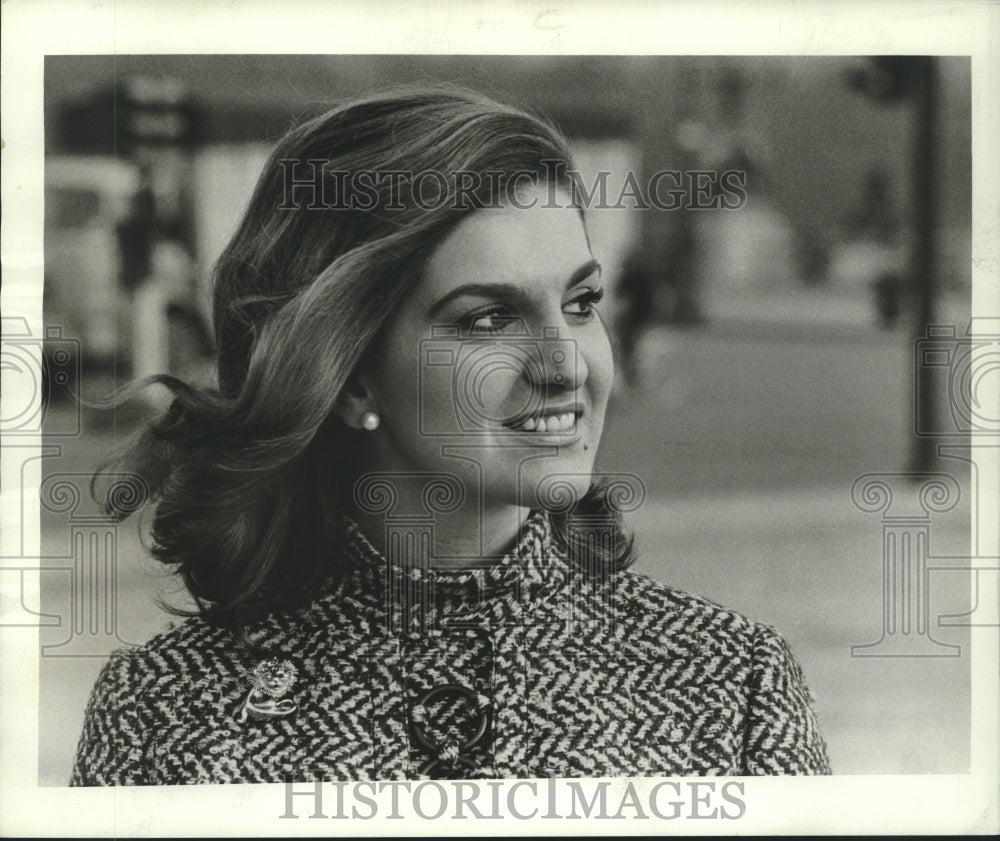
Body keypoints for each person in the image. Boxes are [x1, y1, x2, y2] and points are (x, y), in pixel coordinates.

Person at [71, 84, 830, 784]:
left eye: (580, 301)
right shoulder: (158, 718)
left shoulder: (733, 691)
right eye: (488, 318)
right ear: (352, 371)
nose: (565, 365)